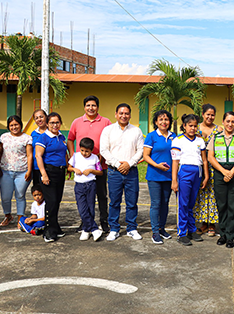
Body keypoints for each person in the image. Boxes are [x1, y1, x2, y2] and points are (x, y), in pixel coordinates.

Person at [100, 103, 145, 242]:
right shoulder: (108, 130)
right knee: (114, 202)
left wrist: (129, 164)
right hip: (114, 172)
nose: (123, 116)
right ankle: (114, 229)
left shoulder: (136, 131)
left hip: (131, 171)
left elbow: (140, 150)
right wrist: (117, 164)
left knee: (132, 202)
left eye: (126, 113)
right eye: (121, 113)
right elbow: (104, 150)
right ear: (116, 114)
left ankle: (132, 228)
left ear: (130, 115)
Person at [67, 95, 112, 234]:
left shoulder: (106, 122)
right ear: (84, 107)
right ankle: (85, 221)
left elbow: (111, 141)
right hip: (82, 170)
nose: (90, 108)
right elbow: (70, 140)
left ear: (98, 107)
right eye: (88, 105)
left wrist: (104, 156)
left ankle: (104, 221)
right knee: (85, 198)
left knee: (102, 196)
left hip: (99, 167)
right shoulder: (77, 122)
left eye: (93, 105)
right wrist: (73, 156)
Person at [207, 111, 234, 248]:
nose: (230, 124)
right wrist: (224, 171)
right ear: (223, 122)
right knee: (222, 205)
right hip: (220, 173)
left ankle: (231, 236)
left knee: (233, 205)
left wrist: (231, 172)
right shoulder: (215, 137)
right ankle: (223, 234)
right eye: (228, 121)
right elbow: (210, 157)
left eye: (233, 122)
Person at [171, 114, 209, 246]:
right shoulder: (178, 140)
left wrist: (206, 176)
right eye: (190, 126)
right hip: (184, 172)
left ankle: (192, 230)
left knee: (192, 204)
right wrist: (174, 180)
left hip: (197, 173)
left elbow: (204, 160)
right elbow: (175, 162)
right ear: (184, 126)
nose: (193, 128)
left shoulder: (200, 141)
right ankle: (182, 233)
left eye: (195, 126)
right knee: (183, 203)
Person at [34, 112, 69, 243]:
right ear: (47, 124)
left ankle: (56, 227)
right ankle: (48, 231)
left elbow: (64, 152)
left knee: (57, 201)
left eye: (57, 122)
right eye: (52, 122)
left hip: (60, 172)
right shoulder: (43, 138)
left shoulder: (61, 137)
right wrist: (43, 174)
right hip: (48, 172)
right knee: (51, 201)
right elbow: (38, 156)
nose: (55, 125)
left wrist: (67, 166)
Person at [142, 110, 176, 244]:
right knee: (156, 204)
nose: (164, 122)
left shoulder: (174, 136)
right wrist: (157, 165)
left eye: (166, 119)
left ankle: (162, 228)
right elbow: (145, 156)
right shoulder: (151, 136)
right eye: (160, 119)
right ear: (156, 122)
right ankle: (155, 232)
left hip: (169, 176)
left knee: (165, 203)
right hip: (155, 175)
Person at [0, 115, 33, 227]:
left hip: (22, 171)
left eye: (16, 124)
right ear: (8, 126)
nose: (14, 127)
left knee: (20, 195)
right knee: (5, 196)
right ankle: (8, 216)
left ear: (20, 125)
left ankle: (20, 218)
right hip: (6, 171)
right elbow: (0, 152)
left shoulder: (27, 138)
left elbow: (29, 155)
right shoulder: (3, 137)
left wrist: (29, 170)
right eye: (11, 125)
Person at [68, 137, 104, 241]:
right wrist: (74, 169)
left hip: (90, 185)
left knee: (90, 208)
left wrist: (91, 171)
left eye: (87, 151)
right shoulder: (75, 156)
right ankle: (94, 229)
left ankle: (86, 230)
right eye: (82, 150)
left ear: (91, 151)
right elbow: (69, 167)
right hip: (79, 185)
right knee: (82, 209)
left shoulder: (94, 158)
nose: (84, 153)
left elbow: (100, 171)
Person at [195, 104, 221, 237]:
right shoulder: (195, 127)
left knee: (213, 195)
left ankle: (212, 224)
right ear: (203, 114)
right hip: (198, 165)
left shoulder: (218, 129)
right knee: (201, 194)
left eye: (212, 115)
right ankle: (203, 222)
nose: (210, 117)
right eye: (208, 114)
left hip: (214, 166)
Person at [30, 109, 48, 189]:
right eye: (36, 118)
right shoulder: (33, 133)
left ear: (46, 117)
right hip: (36, 167)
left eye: (41, 117)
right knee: (38, 192)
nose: (39, 119)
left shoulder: (53, 131)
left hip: (48, 167)